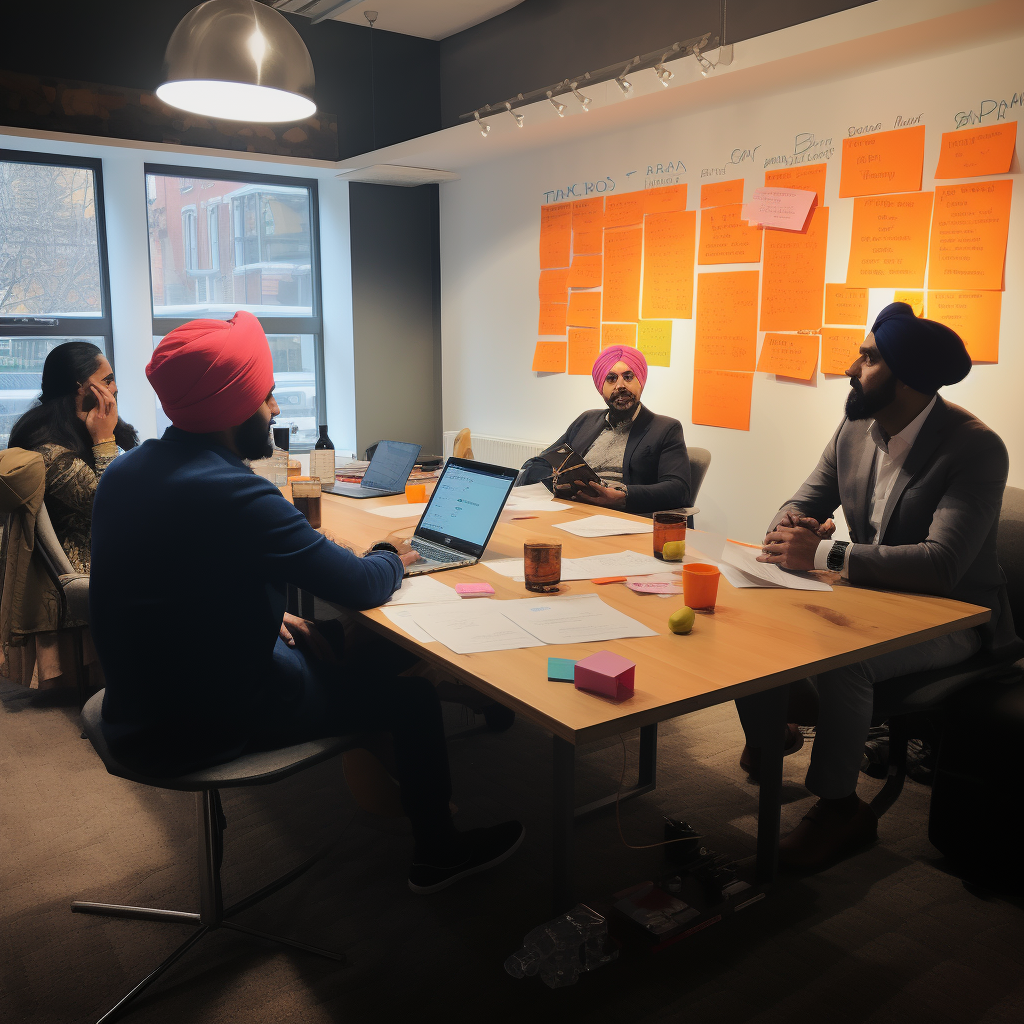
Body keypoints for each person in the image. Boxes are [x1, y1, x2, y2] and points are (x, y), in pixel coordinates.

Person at [89, 311, 524, 894]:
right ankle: (438, 853)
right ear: (232, 405)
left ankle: (454, 713)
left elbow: (173, 588)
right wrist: (393, 555)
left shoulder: (128, 469)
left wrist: (271, 618)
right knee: (412, 697)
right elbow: (362, 585)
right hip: (200, 723)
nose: (275, 411)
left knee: (351, 642)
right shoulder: (234, 491)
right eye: (266, 397)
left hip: (146, 699)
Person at [739, 302, 1017, 870]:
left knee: (848, 660)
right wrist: (792, 524)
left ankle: (840, 807)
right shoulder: (855, 427)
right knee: (747, 613)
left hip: (956, 616)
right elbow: (801, 499)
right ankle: (775, 727)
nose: (850, 367)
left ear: (908, 376)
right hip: (872, 597)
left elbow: (942, 565)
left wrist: (827, 552)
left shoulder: (975, 448)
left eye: (868, 357)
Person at [8, 341, 137, 573]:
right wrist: (104, 440)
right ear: (82, 387)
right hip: (88, 575)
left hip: (112, 556)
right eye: (107, 380)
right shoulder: (49, 453)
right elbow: (113, 508)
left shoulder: (87, 427)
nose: (115, 387)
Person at [518, 346, 690, 514]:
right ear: (601, 388)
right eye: (611, 379)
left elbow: (678, 489)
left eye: (628, 377)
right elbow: (540, 462)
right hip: (571, 509)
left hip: (622, 516)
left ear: (640, 383)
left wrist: (623, 497)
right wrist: (556, 479)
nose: (620, 386)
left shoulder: (665, 428)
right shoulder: (587, 420)